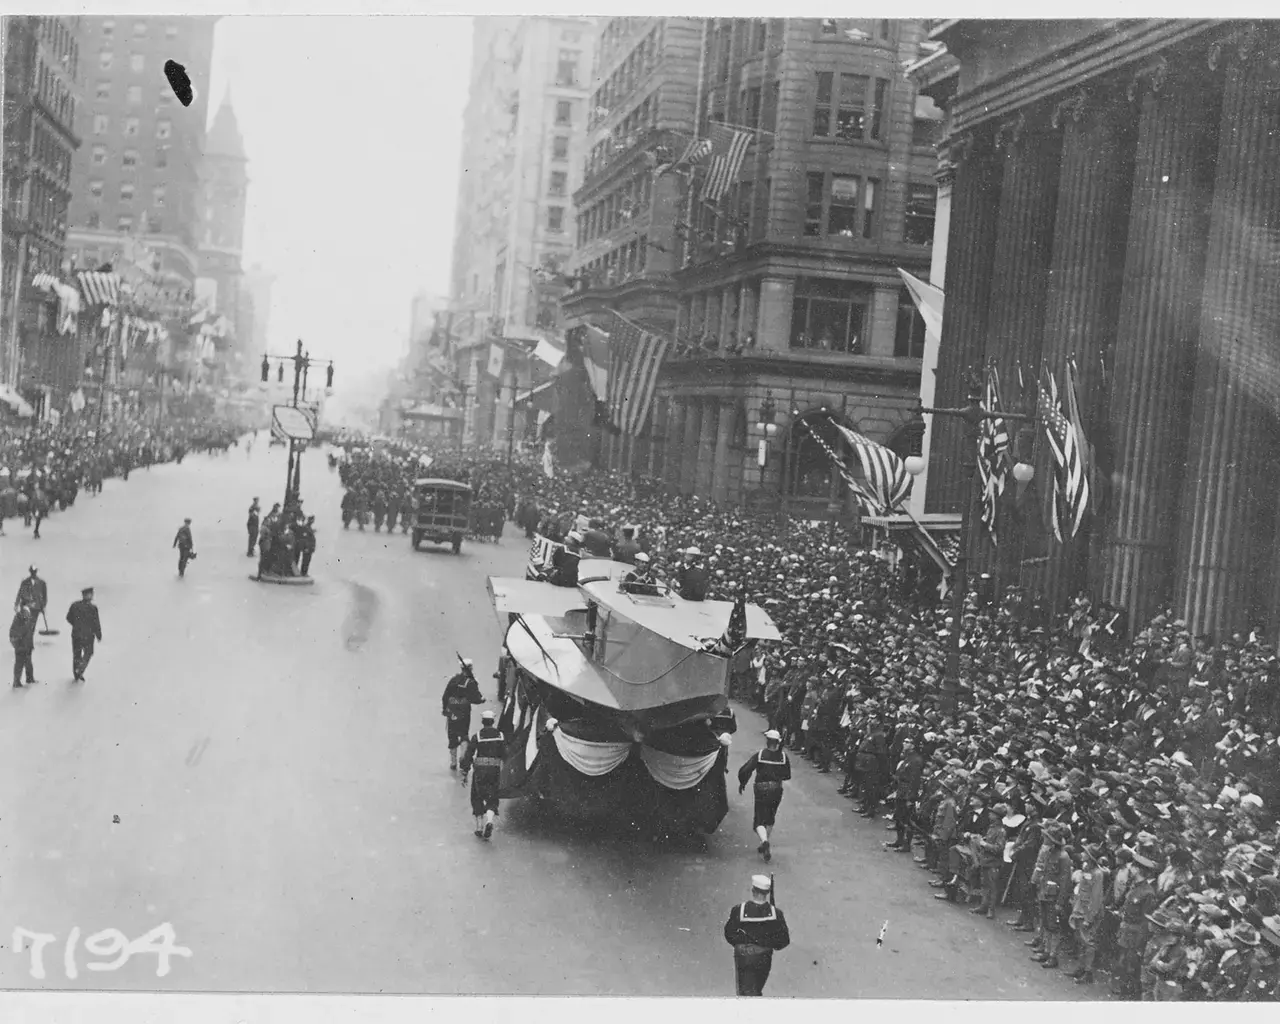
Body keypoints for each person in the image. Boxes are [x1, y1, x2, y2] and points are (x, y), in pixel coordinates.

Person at [724, 875, 791, 996]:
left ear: (753, 890)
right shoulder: (776, 913)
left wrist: (744, 942)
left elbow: (729, 934)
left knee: (745, 991)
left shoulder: (739, 909)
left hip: (744, 956)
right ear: (767, 893)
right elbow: (784, 941)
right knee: (757, 988)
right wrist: (766, 943)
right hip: (764, 957)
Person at [738, 729, 792, 863]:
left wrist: (742, 782)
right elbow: (787, 776)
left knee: (759, 820)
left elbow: (746, 770)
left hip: (761, 789)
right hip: (777, 790)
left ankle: (764, 841)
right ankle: (764, 843)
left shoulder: (760, 754)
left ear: (767, 741)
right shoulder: (784, 757)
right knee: (770, 818)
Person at [460, 708, 506, 840]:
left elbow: (469, 754)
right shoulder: (500, 736)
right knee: (492, 796)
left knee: (477, 796)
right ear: (493, 721)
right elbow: (505, 754)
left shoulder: (477, 736)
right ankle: (489, 820)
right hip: (494, 770)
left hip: (480, 770)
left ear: (482, 722)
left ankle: (479, 827)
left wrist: (465, 771)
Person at [442, 657, 485, 770]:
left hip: (452, 711)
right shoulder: (470, 682)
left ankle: (453, 761)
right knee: (464, 734)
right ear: (471, 668)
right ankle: (462, 757)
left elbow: (445, 696)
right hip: (464, 712)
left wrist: (444, 709)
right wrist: (481, 700)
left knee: (452, 735)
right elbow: (476, 698)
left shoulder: (453, 680)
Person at [66, 586, 102, 682]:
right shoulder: (93, 608)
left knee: (76, 654)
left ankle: (77, 674)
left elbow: (68, 618)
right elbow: (96, 623)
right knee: (88, 653)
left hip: (76, 634)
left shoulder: (74, 605)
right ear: (89, 596)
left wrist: (76, 625)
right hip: (88, 635)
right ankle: (80, 669)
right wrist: (98, 635)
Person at [10, 600, 38, 688]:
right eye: (30, 604)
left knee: (28, 662)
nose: (32, 605)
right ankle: (16, 682)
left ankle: (29, 678)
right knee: (19, 663)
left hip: (27, 644)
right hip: (21, 645)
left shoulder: (28, 615)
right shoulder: (20, 617)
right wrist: (17, 643)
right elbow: (16, 632)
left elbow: (29, 632)